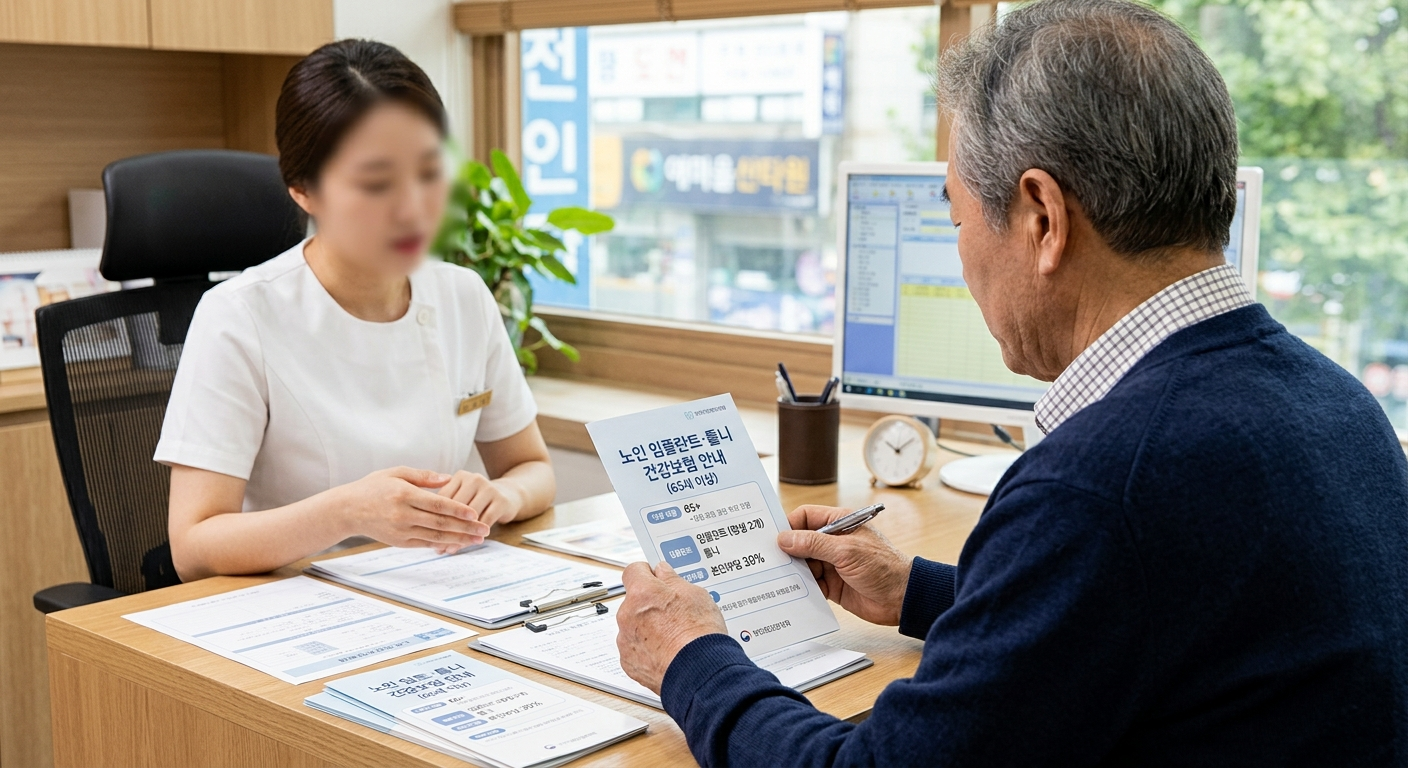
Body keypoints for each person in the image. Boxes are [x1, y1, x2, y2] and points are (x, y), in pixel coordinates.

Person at [614, 1, 1408, 765]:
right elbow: (1146, 622)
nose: (960, 256)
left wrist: (693, 660)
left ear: (1042, 218)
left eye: (956, 219)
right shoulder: (1338, 405)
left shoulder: (1102, 484)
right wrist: (921, 591)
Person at [157, 40, 555, 581]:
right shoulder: (239, 316)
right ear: (303, 189)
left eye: (430, 171)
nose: (414, 208)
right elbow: (195, 546)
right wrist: (346, 512)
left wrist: (499, 495)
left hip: (440, 594)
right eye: (376, 183)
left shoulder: (463, 295)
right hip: (295, 614)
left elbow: (532, 468)